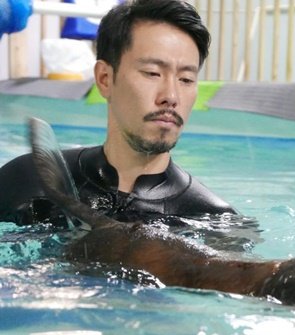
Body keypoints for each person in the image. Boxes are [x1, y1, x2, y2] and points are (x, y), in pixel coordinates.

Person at [0, 0, 238, 227]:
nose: (171, 96)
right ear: (104, 78)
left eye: (186, 79)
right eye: (153, 73)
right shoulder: (25, 180)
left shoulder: (213, 222)